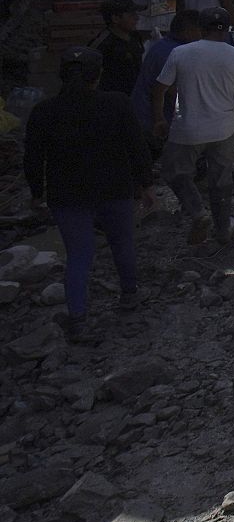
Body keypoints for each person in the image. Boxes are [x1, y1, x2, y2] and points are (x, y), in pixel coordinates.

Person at [24, 47, 151, 340]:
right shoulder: (117, 104)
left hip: (67, 195)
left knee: (79, 255)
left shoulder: (44, 112)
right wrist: (145, 184)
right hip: (115, 188)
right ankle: (130, 293)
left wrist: (36, 192)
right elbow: (137, 147)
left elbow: (32, 158)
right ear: (99, 75)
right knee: (122, 243)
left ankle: (78, 319)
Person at [153, 7, 234, 245]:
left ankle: (198, 211)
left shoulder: (180, 52)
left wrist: (159, 118)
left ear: (201, 28)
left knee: (174, 171)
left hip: (187, 128)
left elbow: (158, 89)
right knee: (221, 181)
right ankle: (222, 230)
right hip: (224, 128)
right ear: (227, 29)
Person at [133, 8, 201, 144]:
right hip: (152, 119)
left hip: (152, 115)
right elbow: (173, 91)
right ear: (189, 31)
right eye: (201, 30)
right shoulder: (173, 53)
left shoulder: (164, 45)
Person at [90, 0, 151, 98]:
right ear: (116, 18)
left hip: (135, 95)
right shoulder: (103, 45)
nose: (137, 18)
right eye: (131, 15)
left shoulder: (135, 36)